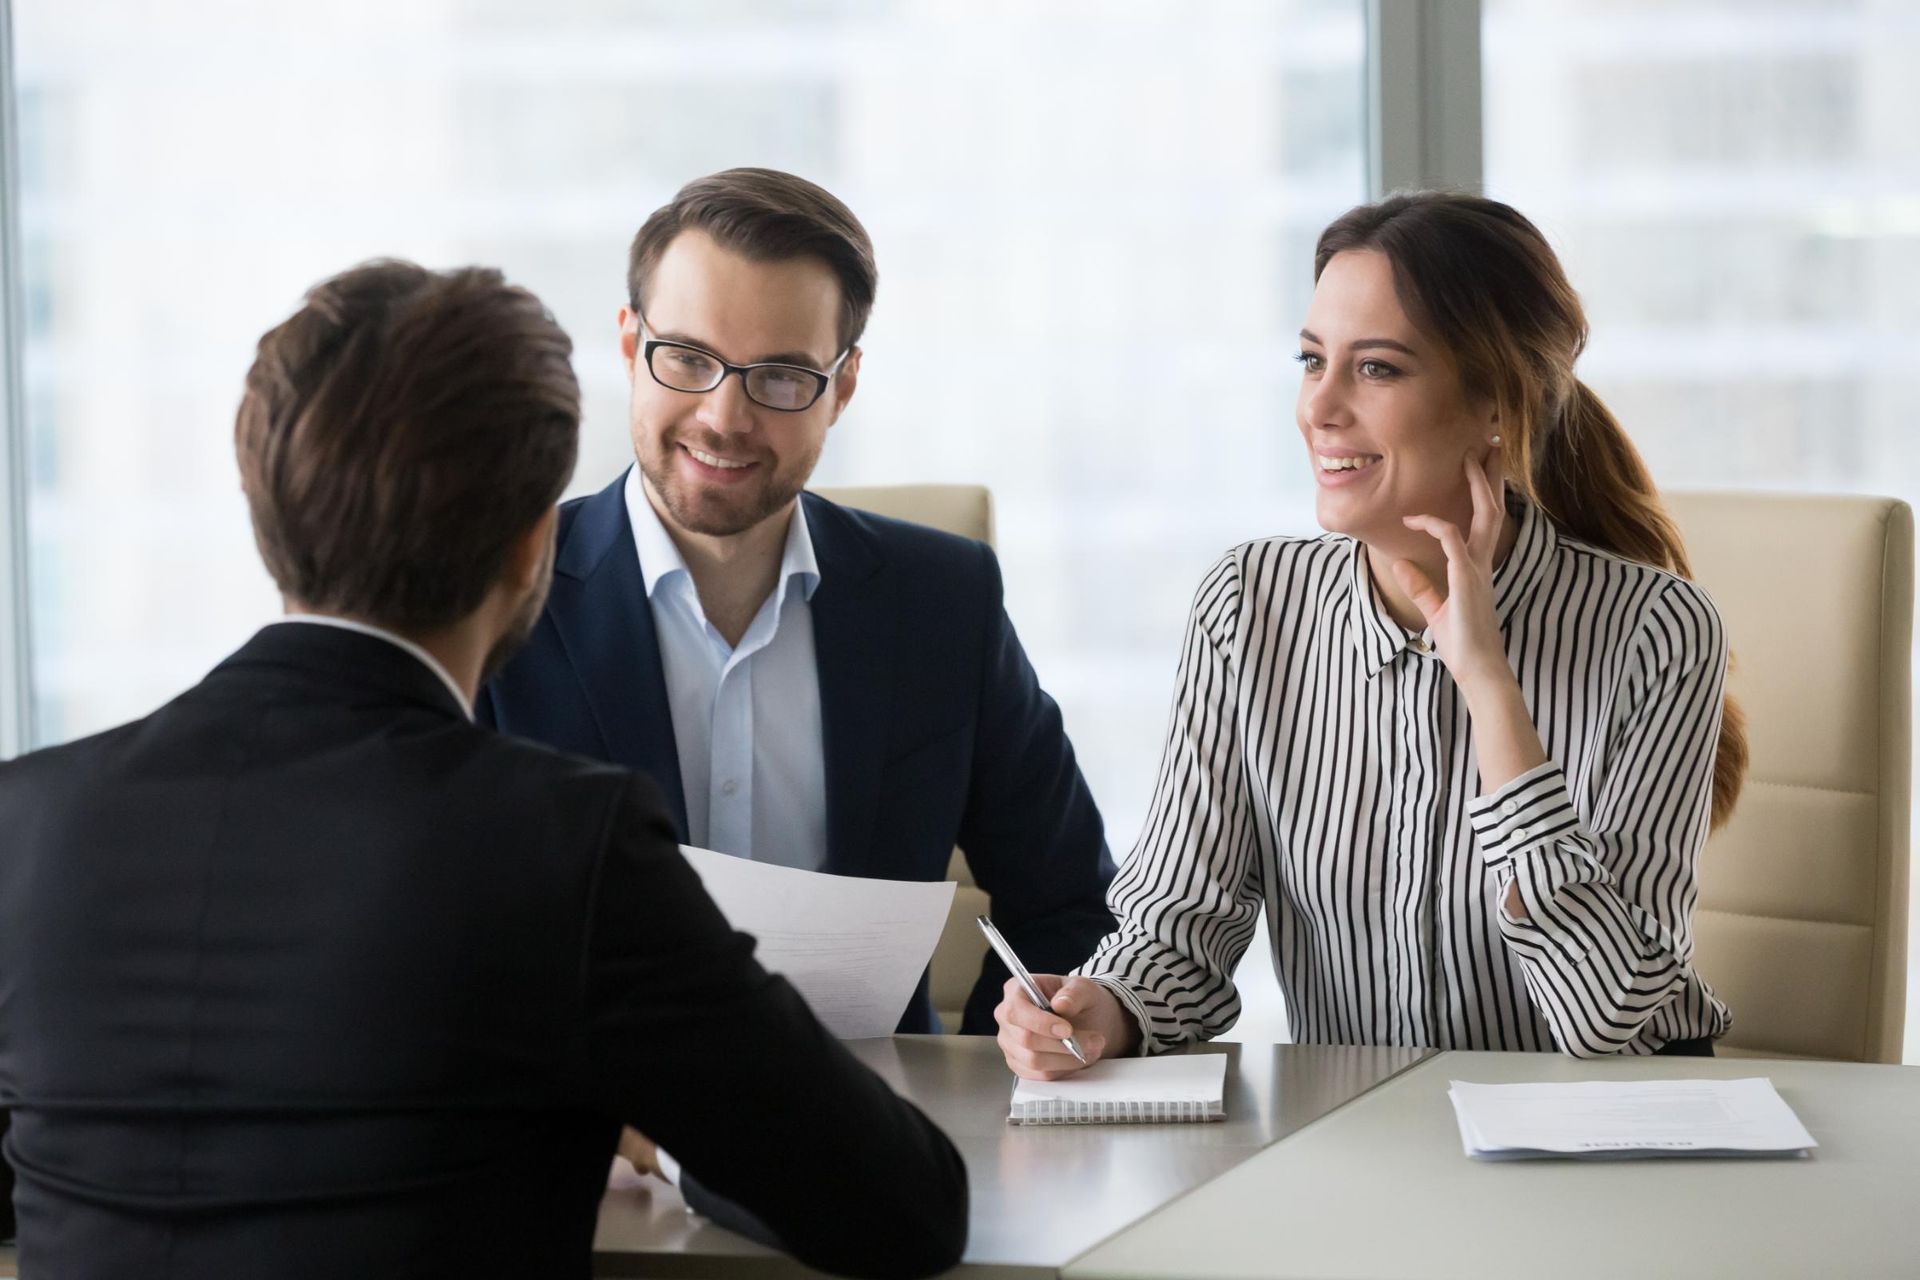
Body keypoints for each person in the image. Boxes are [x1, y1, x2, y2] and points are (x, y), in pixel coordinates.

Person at [0, 261, 967, 1279]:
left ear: (263, 508)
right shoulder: (562, 845)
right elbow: (904, 1207)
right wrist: (656, 1127)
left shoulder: (27, 819)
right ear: (532, 547)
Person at [997, 191, 1749, 1077]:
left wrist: (1489, 687)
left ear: (1497, 405)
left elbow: (1610, 1019)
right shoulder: (1250, 603)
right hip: (1356, 1145)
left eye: (1379, 369)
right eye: (1312, 360)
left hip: (1589, 1155)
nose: (1320, 407)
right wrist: (1104, 1009)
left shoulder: (1654, 629)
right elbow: (1178, 929)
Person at [480, 167, 1114, 1035]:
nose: (725, 416)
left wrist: (980, 1089)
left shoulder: (943, 602)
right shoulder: (494, 591)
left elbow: (1071, 906)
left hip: (883, 1128)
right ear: (630, 347)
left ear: (842, 387)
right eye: (689, 359)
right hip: (595, 1144)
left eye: (781, 376)